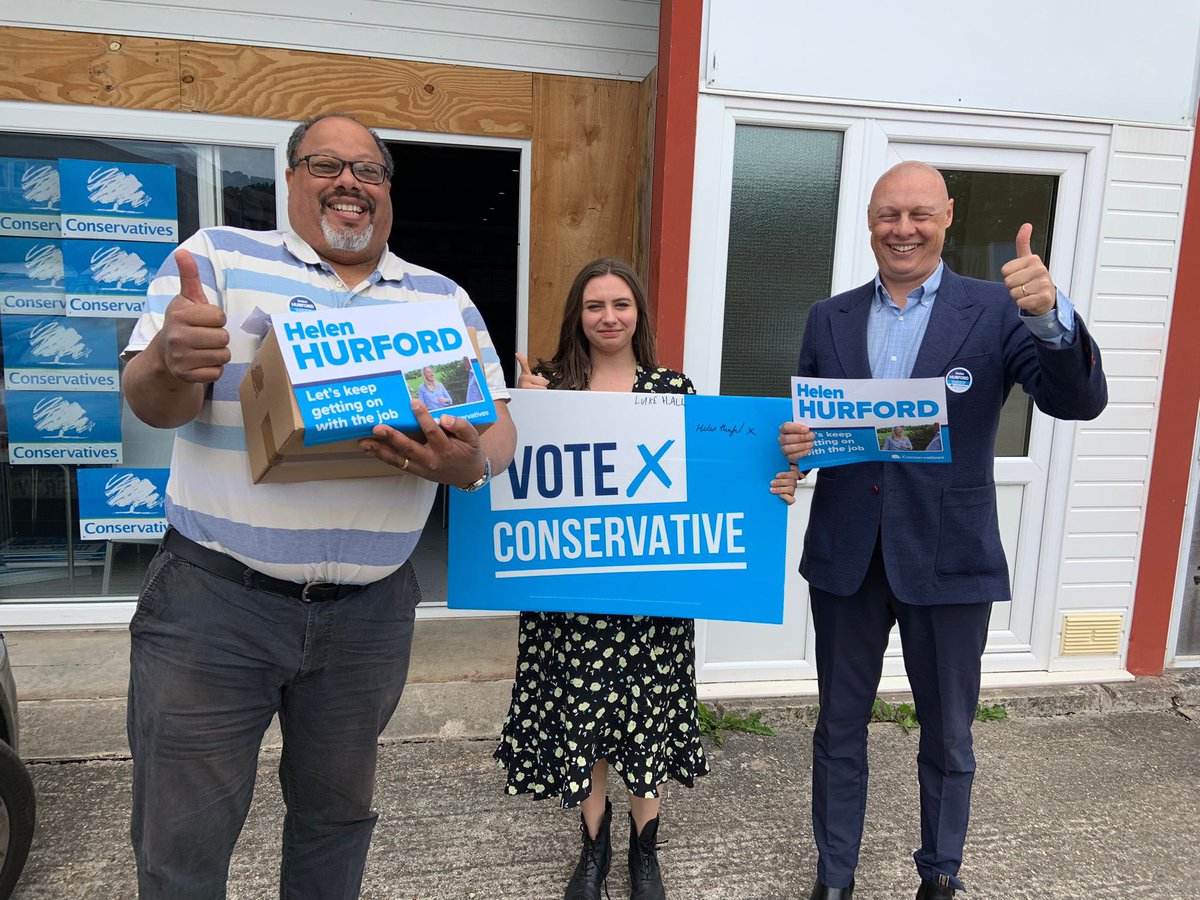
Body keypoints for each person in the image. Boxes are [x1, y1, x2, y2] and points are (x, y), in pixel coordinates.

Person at [120, 112, 516, 900]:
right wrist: (170, 359)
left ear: (387, 192)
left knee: (336, 824)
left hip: (367, 621)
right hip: (215, 607)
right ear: (291, 178)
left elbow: (497, 431)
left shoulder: (440, 299)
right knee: (182, 840)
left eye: (368, 171)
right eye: (326, 165)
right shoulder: (218, 260)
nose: (349, 183)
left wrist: (469, 464)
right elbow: (152, 404)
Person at [778, 161, 1107, 900]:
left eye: (918, 214)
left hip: (950, 556)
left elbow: (1076, 400)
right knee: (837, 731)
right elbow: (809, 428)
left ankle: (941, 874)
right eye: (889, 215)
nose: (903, 229)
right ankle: (834, 879)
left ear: (948, 216)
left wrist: (1052, 318)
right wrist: (792, 450)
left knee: (950, 736)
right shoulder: (826, 317)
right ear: (869, 222)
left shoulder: (996, 310)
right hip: (847, 558)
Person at [497, 257, 793, 900]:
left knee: (645, 719)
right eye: (595, 305)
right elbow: (495, 471)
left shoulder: (672, 387)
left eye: (621, 305)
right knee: (584, 719)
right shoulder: (546, 385)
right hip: (569, 596)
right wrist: (524, 413)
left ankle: (644, 851)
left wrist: (768, 485)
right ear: (578, 314)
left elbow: (716, 475)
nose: (608, 317)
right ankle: (593, 849)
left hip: (652, 599)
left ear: (639, 315)